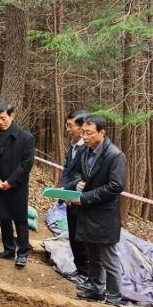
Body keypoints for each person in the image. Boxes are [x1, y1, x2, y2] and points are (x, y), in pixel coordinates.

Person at [69, 114, 126, 306]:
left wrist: (85, 198)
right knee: (91, 254)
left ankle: (114, 297)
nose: (85, 137)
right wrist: (77, 183)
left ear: (102, 132)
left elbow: (115, 186)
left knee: (109, 258)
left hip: (104, 215)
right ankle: (95, 288)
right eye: (83, 132)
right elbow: (76, 172)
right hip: (87, 213)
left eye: (89, 133)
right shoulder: (85, 151)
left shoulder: (115, 156)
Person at [0, 102, 35, 268]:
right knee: (3, 218)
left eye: (3, 118)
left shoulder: (26, 138)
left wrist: (10, 182)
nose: (0, 122)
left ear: (12, 116)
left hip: (17, 186)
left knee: (20, 220)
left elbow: (26, 164)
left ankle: (22, 253)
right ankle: (8, 249)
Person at [59, 109, 90, 282]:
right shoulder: (72, 146)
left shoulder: (87, 149)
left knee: (81, 237)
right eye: (67, 125)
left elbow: (83, 177)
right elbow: (67, 170)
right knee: (73, 235)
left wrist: (71, 191)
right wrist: (63, 190)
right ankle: (80, 269)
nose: (68, 129)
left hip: (81, 200)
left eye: (71, 126)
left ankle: (86, 272)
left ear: (81, 126)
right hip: (69, 198)